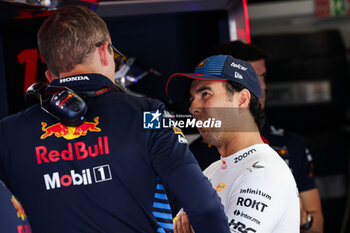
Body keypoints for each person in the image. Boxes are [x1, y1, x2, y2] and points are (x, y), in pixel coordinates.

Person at [0, 6, 231, 233]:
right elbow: (205, 208)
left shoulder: (7, 133)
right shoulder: (148, 115)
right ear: (104, 51)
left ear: (49, 75)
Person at [190, 40, 324, 233]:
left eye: (261, 76)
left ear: (241, 98)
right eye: (192, 97)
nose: (261, 86)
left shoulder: (270, 165)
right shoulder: (206, 162)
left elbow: (317, 226)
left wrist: (304, 218)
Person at [166, 54, 300, 232]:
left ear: (242, 99)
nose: (192, 108)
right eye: (191, 99)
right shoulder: (212, 170)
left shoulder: (264, 173)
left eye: (205, 94)